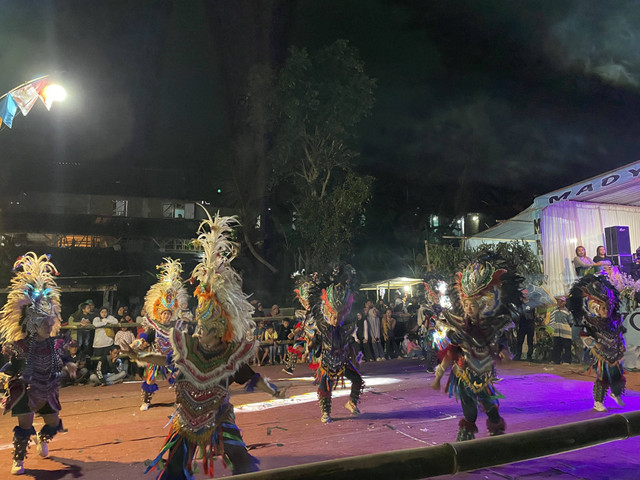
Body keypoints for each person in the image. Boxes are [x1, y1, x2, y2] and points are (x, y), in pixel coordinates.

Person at [136, 213, 287, 478]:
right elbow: (168, 360)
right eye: (199, 327)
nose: (197, 332)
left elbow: (250, 377)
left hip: (219, 416)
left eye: (203, 329)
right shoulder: (191, 350)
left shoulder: (229, 358)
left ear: (217, 333)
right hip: (186, 418)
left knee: (240, 459)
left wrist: (272, 391)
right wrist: (141, 355)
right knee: (174, 466)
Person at [0, 253, 76, 475]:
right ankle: (19, 460)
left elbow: (64, 358)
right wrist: (4, 376)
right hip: (25, 390)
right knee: (24, 426)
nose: (48, 324)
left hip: (49, 389)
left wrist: (69, 365)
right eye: (42, 321)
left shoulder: (56, 343)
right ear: (32, 323)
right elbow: (11, 366)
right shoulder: (19, 345)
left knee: (53, 422)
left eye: (49, 320)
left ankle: (43, 438)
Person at [440, 255, 521, 441]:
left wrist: (503, 350)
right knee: (469, 411)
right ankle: (464, 445)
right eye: (466, 304)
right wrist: (452, 342)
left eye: (473, 304)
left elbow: (500, 341)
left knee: (491, 408)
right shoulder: (458, 323)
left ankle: (496, 433)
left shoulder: (491, 324)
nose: (468, 308)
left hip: (483, 374)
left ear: (481, 304)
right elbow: (451, 343)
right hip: (463, 373)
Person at [309, 264, 364, 423]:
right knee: (324, 387)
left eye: (339, 317)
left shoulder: (346, 328)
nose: (336, 320)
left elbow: (352, 345)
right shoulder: (323, 328)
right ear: (328, 313)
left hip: (343, 363)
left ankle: (351, 403)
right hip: (326, 364)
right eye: (334, 317)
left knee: (357, 380)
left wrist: (356, 358)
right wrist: (313, 346)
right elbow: (315, 345)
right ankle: (326, 413)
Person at [568, 274, 626, 412]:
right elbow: (582, 334)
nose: (606, 311)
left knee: (618, 375)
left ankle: (616, 393)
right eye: (603, 308)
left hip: (615, 353)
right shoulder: (589, 321)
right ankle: (598, 402)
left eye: (608, 308)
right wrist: (594, 344)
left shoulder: (615, 319)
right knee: (602, 377)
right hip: (599, 354)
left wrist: (620, 345)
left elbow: (619, 333)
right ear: (596, 308)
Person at [138, 258, 189, 411]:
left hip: (171, 358)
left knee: (178, 378)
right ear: (159, 314)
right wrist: (138, 342)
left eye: (168, 314)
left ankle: (181, 400)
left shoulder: (177, 325)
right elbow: (145, 336)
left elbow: (183, 338)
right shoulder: (154, 326)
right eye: (164, 314)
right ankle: (146, 401)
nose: (166, 316)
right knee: (150, 378)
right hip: (156, 356)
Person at [549, 296, 573, 365]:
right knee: (557, 347)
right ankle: (556, 360)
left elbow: (571, 322)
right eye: (558, 301)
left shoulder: (568, 312)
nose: (560, 303)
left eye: (561, 301)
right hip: (557, 332)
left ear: (565, 302)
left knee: (567, 347)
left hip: (566, 333)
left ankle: (567, 361)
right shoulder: (555, 311)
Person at [514, 289, 536, 361]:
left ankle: (529, 356)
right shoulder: (520, 304)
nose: (525, 295)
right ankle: (518, 355)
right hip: (522, 325)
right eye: (523, 294)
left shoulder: (532, 303)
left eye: (526, 294)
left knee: (530, 341)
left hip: (530, 325)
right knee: (520, 341)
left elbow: (533, 314)